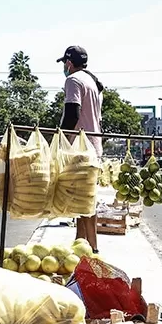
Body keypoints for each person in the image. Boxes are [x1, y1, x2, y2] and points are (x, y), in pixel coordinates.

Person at [58, 45, 104, 252]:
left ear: (69, 63)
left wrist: (60, 140)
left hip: (80, 149)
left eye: (65, 64)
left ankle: (93, 249)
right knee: (83, 201)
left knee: (85, 203)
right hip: (93, 147)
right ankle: (81, 245)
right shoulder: (92, 82)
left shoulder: (73, 80)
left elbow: (72, 115)